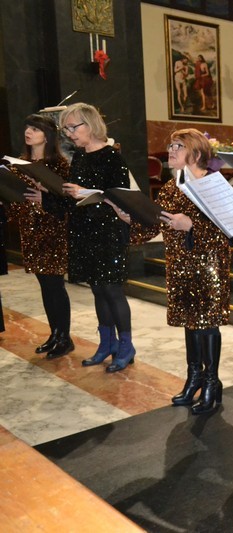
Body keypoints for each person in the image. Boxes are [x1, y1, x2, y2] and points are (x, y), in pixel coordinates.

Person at [115, 128, 230, 415]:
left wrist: (192, 226)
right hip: (180, 264)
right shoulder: (171, 186)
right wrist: (130, 218)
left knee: (207, 324)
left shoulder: (214, 184)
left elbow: (229, 229)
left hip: (208, 264)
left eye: (178, 146)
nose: (171, 151)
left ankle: (212, 383)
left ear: (197, 152)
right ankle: (194, 378)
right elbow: (154, 224)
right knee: (190, 324)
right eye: (170, 146)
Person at [59, 103, 135, 373]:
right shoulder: (79, 156)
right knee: (97, 289)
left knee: (112, 290)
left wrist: (86, 192)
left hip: (108, 230)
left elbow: (122, 197)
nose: (69, 133)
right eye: (65, 129)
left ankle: (126, 346)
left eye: (73, 127)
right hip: (84, 229)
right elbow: (76, 194)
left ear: (90, 124)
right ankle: (107, 344)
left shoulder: (111, 157)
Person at [6, 114, 72, 359]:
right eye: (27, 127)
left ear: (47, 135)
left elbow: (67, 202)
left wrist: (45, 198)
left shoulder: (59, 165)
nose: (28, 132)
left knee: (55, 285)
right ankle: (55, 333)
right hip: (30, 229)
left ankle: (64, 338)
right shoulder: (20, 163)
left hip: (52, 230)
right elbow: (16, 197)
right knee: (44, 284)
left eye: (35, 129)